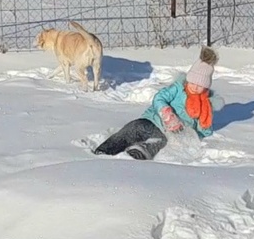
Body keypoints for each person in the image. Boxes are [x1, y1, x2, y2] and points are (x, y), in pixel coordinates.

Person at [94, 47, 223, 160]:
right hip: (152, 121)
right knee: (133, 129)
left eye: (200, 85)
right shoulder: (178, 88)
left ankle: (138, 153)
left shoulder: (205, 105)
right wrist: (166, 112)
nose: (195, 87)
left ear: (206, 87)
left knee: (159, 142)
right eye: (193, 83)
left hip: (167, 134)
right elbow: (159, 98)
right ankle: (105, 150)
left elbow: (202, 131)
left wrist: (201, 129)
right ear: (188, 80)